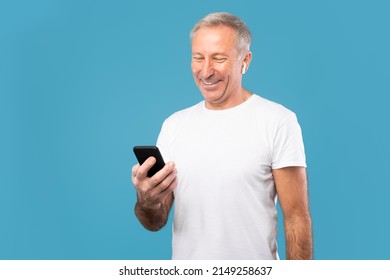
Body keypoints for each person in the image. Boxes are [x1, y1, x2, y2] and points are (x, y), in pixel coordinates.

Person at [132, 12, 313, 260]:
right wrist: (147, 200)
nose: (206, 72)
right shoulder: (174, 125)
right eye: (198, 58)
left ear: (244, 61)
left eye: (218, 59)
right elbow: (154, 222)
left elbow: (296, 218)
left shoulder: (278, 121)